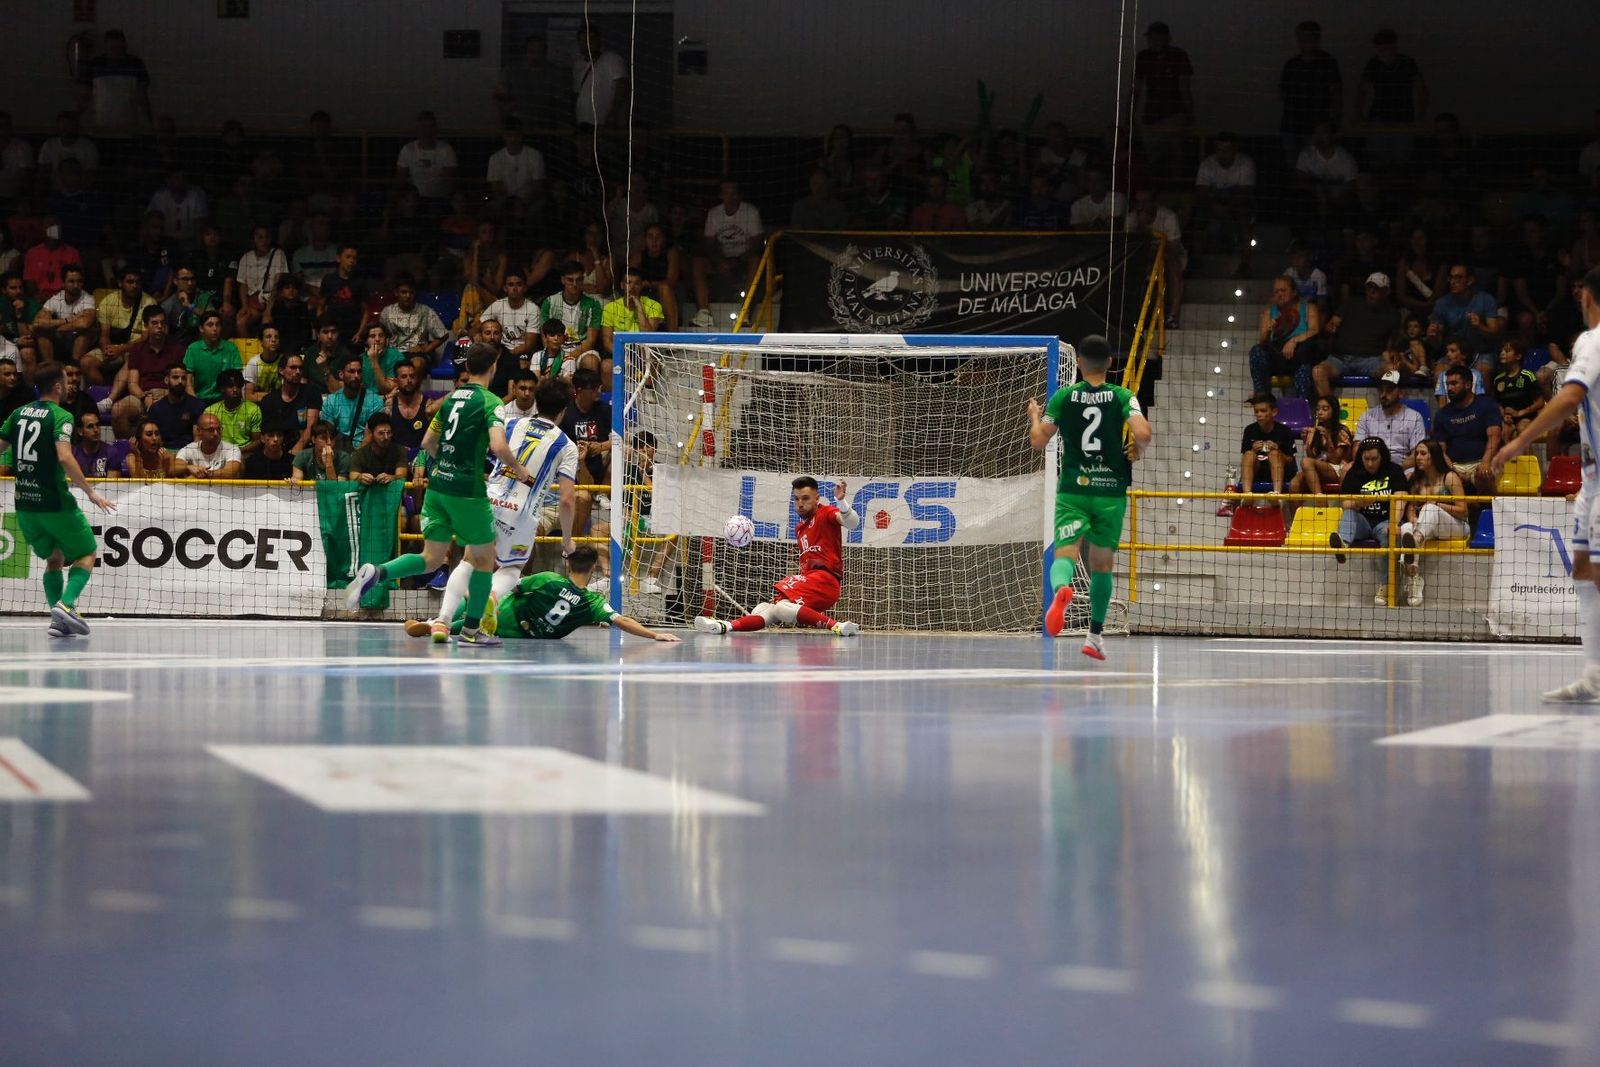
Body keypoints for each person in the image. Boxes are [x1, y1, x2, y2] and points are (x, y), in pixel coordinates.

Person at [345, 343, 537, 646]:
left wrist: (446, 463)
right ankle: (472, 631)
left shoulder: (448, 400)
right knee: (485, 560)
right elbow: (499, 446)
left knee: (432, 557)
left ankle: (377, 571)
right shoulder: (491, 402)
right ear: (494, 366)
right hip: (467, 492)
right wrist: (521, 470)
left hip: (438, 486)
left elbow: (427, 442)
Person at [1489, 266, 1600, 699]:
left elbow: (1570, 396)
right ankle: (1594, 675)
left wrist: (1519, 442)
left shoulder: (1591, 340)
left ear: (1586, 298)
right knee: (1583, 569)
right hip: (1591, 480)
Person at [419, 378, 579, 643]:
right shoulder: (567, 446)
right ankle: (490, 599)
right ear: (564, 409)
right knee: (512, 569)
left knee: (469, 560)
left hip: (488, 501)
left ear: (537, 401)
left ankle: (442, 622)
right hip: (522, 514)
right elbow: (566, 500)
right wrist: (566, 540)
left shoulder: (512, 423)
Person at [1027, 335, 1153, 659]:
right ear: (1111, 363)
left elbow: (1039, 441)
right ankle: (1093, 636)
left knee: (1065, 554)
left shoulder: (1063, 397)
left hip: (1074, 489)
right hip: (1110, 490)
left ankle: (1061, 591)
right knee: (1101, 565)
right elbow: (1142, 434)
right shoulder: (1124, 395)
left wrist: (1033, 416)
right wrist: (1136, 449)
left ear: (1079, 363)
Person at [0, 362, 115, 636]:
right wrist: (90, 491)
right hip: (54, 502)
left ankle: (58, 621)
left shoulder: (17, 413)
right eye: (66, 382)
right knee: (87, 554)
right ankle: (66, 603)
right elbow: (64, 457)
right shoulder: (61, 416)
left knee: (54, 558)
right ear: (58, 386)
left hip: (25, 505)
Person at [694, 476, 862, 637]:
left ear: (817, 498)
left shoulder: (825, 513)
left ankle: (837, 626)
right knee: (764, 609)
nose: (800, 504)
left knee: (780, 608)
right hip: (810, 580)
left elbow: (852, 523)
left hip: (826, 581)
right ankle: (725, 626)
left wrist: (841, 501)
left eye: (805, 498)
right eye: (796, 499)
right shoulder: (799, 528)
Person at [406, 547, 679, 643]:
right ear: (594, 568)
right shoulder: (592, 602)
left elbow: (512, 587)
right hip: (520, 634)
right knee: (478, 615)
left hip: (504, 616)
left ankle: (436, 622)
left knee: (484, 598)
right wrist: (655, 634)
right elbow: (621, 621)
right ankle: (439, 625)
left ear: (568, 564)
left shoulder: (548, 579)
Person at [1329, 436, 1409, 605]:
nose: (1370, 464)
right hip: (1363, 521)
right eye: (1367, 459)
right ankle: (1342, 544)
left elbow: (1402, 498)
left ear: (1382, 457)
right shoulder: (1354, 472)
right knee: (1348, 514)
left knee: (1390, 537)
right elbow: (1345, 503)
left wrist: (1394, 523)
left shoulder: (1394, 471)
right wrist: (1359, 502)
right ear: (1361, 458)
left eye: (1374, 459)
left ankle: (1386, 585)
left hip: (1385, 522)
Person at [1397, 440, 1469, 608]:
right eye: (1417, 454)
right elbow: (1411, 508)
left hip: (1456, 526)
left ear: (1434, 456)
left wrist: (1437, 504)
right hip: (1428, 526)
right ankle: (1414, 579)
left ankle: (1413, 543)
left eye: (1423, 454)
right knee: (1406, 528)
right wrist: (1413, 518)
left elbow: (1463, 510)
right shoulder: (1415, 479)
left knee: (1430, 508)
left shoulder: (1449, 477)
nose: (1418, 458)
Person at [1431, 364, 1503, 490]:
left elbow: (1494, 437)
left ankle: (1485, 509)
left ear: (1468, 385)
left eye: (1454, 384)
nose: (1449, 388)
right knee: (1437, 488)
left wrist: (1485, 462)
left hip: (1481, 462)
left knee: (1485, 477)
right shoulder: (1442, 414)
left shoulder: (1487, 405)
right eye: (1447, 385)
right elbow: (1440, 450)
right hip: (1454, 465)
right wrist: (1452, 471)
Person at [1248, 276, 1320, 399]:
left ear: (1294, 292)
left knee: (1305, 370)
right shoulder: (1269, 312)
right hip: (1277, 355)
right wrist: (1268, 330)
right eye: (1276, 291)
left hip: (1299, 355)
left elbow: (1314, 330)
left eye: (1283, 290)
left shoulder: (1308, 308)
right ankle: (1262, 398)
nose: (1279, 294)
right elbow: (1263, 342)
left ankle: (1299, 410)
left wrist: (1294, 341)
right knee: (1256, 351)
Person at [1355, 370, 1428, 468]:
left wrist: (1396, 471)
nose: (1383, 395)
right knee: (1346, 470)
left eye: (1389, 390)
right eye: (1381, 390)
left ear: (1401, 393)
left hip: (1403, 468)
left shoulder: (1414, 417)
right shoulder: (1367, 417)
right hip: (1371, 467)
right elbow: (1357, 449)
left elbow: (1417, 453)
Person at [1287, 395, 1353, 502]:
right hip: (1319, 468)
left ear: (1334, 411)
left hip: (1338, 470)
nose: (1320, 412)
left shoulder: (1341, 431)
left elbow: (1336, 460)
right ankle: (1296, 518)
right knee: (1294, 483)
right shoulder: (1315, 431)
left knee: (1305, 462)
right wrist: (1306, 442)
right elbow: (1313, 458)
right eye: (1318, 409)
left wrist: (1328, 440)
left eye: (1325, 409)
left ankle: (1320, 501)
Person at [30, 263, 96, 365]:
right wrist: (68, 320)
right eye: (71, 281)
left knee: (86, 333)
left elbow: (84, 324)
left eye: (79, 281)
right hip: (61, 338)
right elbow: (37, 323)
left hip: (77, 339)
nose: (76, 285)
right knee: (41, 332)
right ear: (63, 283)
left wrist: (53, 327)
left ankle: (74, 367)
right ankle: (50, 368)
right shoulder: (56, 298)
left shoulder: (88, 299)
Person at [259, 352, 321, 455]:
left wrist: (295, 451)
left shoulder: (312, 392)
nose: (297, 372)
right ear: (281, 370)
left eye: (300, 368)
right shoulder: (269, 400)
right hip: (278, 450)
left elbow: (311, 426)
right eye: (292, 367)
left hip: (304, 449)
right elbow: (269, 433)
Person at [1239, 394, 1298, 496]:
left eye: (1263, 411)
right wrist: (1253, 451)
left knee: (1274, 454)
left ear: (1274, 412)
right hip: (1258, 471)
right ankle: (1247, 495)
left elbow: (1291, 461)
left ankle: (1276, 494)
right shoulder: (1249, 430)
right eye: (1256, 411)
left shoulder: (1285, 431)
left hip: (1281, 471)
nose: (1259, 414)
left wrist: (1279, 452)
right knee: (1249, 454)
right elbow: (1245, 460)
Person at [182, 309, 242, 406]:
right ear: (201, 329)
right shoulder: (193, 348)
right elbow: (188, 382)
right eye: (210, 325)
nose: (215, 329)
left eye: (217, 325)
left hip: (225, 400)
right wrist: (196, 402)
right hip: (199, 399)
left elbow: (238, 378)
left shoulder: (231, 348)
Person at [147, 363, 205, 449]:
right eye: (175, 377)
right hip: (164, 451)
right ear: (166, 380)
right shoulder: (156, 408)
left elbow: (198, 440)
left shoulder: (197, 405)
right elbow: (154, 438)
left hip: (190, 451)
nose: (180, 381)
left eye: (183, 378)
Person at [1493, 340, 1544, 437]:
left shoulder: (1528, 376)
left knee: (1523, 430)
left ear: (1518, 356)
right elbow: (1497, 403)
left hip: (1526, 416)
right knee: (1503, 432)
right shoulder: (1498, 379)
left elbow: (1540, 402)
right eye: (1501, 351)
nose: (1502, 353)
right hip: (1507, 418)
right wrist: (1504, 415)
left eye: (1507, 351)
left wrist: (1519, 413)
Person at [204, 368, 262, 452]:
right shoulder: (210, 412)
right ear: (222, 388)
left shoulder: (253, 410)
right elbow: (205, 439)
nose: (235, 390)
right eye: (230, 386)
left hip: (245, 453)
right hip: (218, 452)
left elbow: (257, 441)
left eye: (238, 386)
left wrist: (238, 452)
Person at [174, 412, 243, 479]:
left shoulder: (232, 449)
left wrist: (201, 474)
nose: (216, 433)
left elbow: (230, 473)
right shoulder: (189, 449)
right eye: (211, 430)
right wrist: (188, 467)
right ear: (198, 431)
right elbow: (173, 468)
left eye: (218, 429)